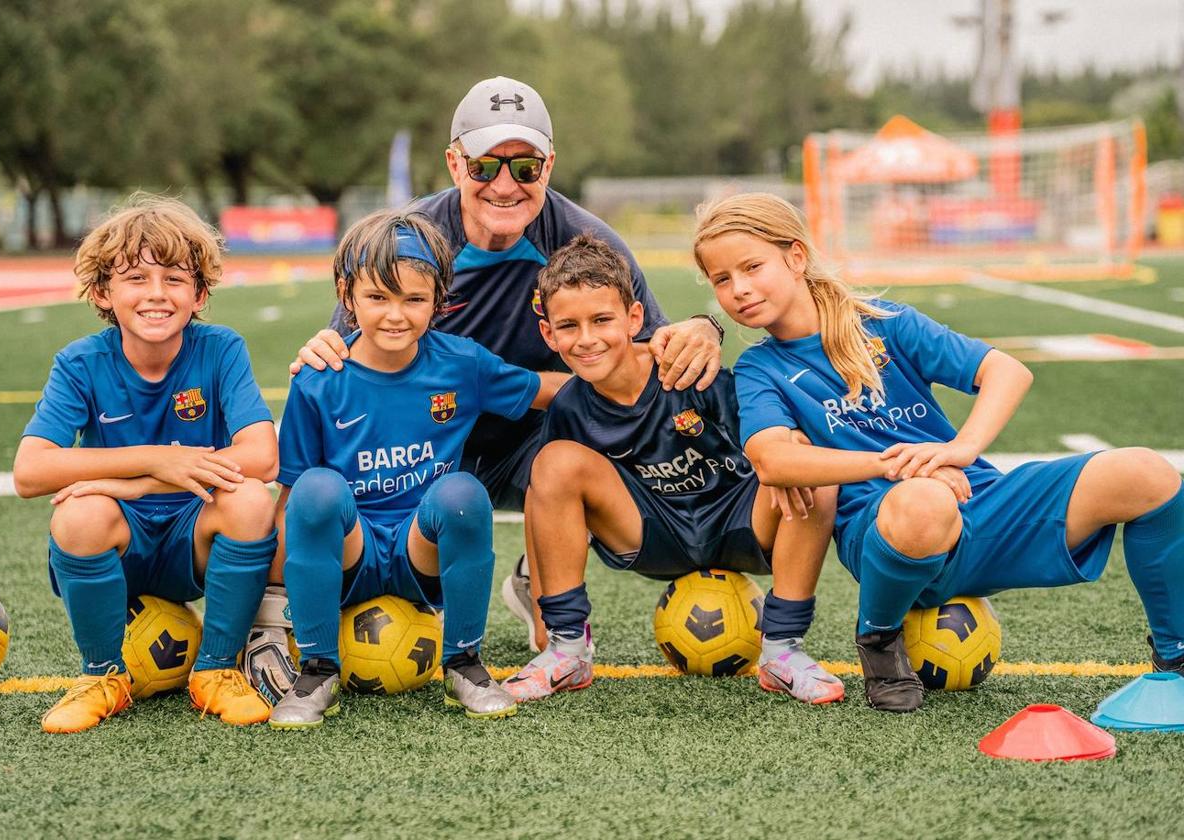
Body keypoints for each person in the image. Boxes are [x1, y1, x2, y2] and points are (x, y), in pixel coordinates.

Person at [692, 192, 1184, 713]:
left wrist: (960, 448)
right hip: (893, 533)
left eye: (752, 267)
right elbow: (772, 460)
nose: (739, 288)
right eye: (722, 280)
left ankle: (1175, 657)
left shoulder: (886, 323)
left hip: (979, 502)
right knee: (923, 499)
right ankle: (879, 637)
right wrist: (895, 464)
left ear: (794, 256)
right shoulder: (760, 369)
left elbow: (1007, 371)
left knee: (1148, 474)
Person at [293, 77, 723, 651]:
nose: (504, 185)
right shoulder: (410, 243)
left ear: (549, 166)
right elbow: (348, 356)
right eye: (484, 166)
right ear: (454, 163)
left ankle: (550, 596)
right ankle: (310, 605)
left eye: (525, 168)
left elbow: (647, 356)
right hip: (420, 443)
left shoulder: (586, 242)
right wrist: (321, 348)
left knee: (620, 424)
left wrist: (704, 328)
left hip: (531, 432)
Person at [501, 233, 843, 705]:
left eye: (601, 320)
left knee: (808, 465)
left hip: (740, 522)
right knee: (553, 463)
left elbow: (770, 442)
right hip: (652, 535)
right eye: (568, 326)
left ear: (634, 318)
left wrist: (793, 448)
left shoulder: (686, 369)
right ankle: (570, 652)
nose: (586, 339)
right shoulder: (571, 408)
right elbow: (545, 509)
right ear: (549, 334)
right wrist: (547, 620)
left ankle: (783, 648)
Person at [269, 209, 557, 728]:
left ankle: (465, 662)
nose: (395, 315)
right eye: (378, 296)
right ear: (347, 295)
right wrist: (266, 612)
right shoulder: (318, 380)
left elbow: (545, 392)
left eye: (414, 299)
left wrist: (633, 379)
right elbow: (292, 502)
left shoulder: (461, 363)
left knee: (462, 492)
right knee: (316, 489)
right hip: (350, 556)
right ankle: (315, 668)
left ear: (439, 300)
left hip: (419, 554)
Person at [13, 195, 278, 732]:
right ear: (103, 292)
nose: (156, 294)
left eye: (175, 280)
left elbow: (262, 457)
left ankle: (216, 671)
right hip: (124, 540)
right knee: (78, 515)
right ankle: (102, 676)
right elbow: (30, 471)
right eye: (136, 278)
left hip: (193, 532)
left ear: (199, 293)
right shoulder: (81, 362)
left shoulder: (220, 349)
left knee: (251, 500)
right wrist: (154, 465)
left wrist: (136, 479)